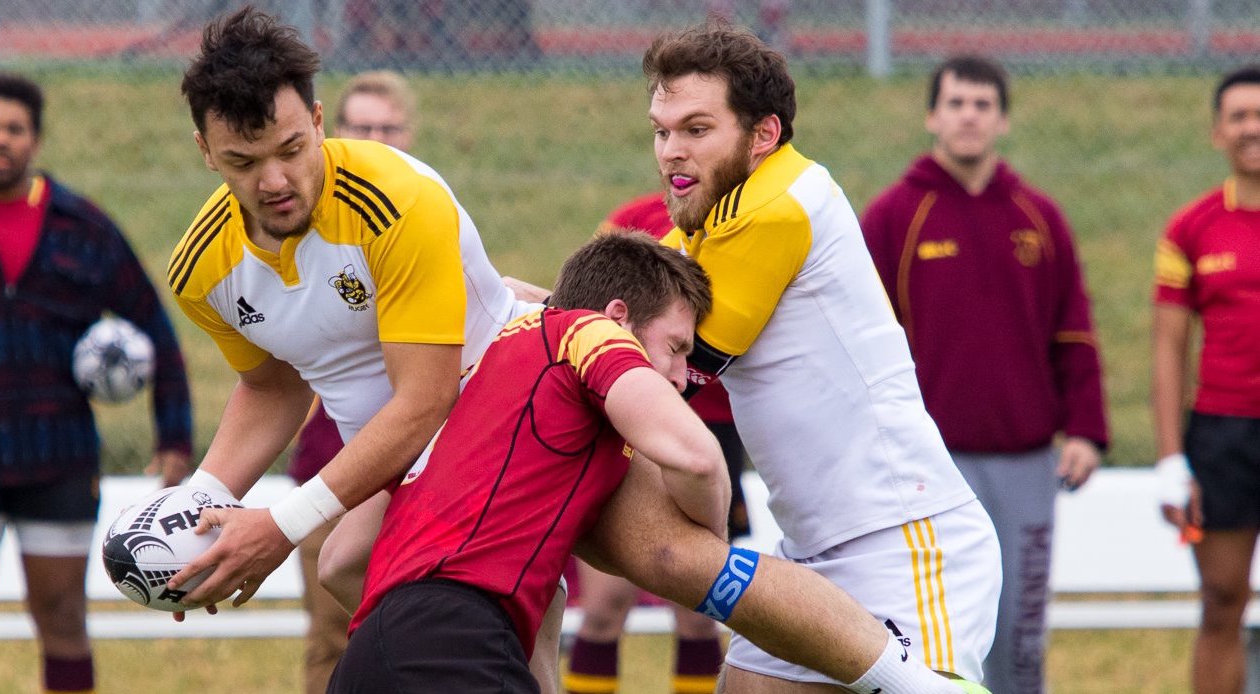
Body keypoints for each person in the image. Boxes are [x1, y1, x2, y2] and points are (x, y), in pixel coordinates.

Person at [333, 230, 989, 694]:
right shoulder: (586, 334)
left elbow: (341, 561)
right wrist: (706, 535)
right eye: (676, 348)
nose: (682, 376)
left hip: (369, 653)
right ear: (619, 317)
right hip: (455, 644)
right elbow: (698, 459)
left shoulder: (482, 370)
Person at [163, 8, 562, 691]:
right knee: (353, 572)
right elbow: (273, 386)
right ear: (204, 150)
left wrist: (280, 525)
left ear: (319, 122)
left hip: (504, 411)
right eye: (242, 161)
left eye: (291, 148)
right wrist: (194, 508)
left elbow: (424, 400)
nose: (274, 181)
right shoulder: (202, 270)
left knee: (668, 562)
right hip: (404, 460)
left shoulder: (396, 200)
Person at [646, 23, 1002, 691]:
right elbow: (612, 312)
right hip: (815, 552)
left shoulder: (770, 210)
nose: (671, 151)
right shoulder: (733, 205)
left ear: (762, 135)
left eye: (696, 129)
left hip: (903, 543)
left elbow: (656, 373)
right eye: (662, 130)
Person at [860, 55, 1108, 694]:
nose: (968, 116)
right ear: (931, 116)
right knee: (932, 625)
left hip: (1025, 461)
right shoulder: (894, 217)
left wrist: (1085, 429)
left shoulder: (1039, 218)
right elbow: (859, 341)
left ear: (1001, 119)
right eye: (956, 103)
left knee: (1020, 625)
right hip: (926, 463)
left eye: (982, 105)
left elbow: (1074, 330)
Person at [0, 71, 193, 693]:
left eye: (14, 129)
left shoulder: (83, 227)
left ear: (36, 139)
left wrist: (175, 437)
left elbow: (154, 327)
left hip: (59, 459)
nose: (0, 139)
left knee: (62, 617)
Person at [565, 193, 748, 694]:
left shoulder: (748, 225)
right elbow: (588, 307)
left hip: (710, 428)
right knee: (602, 607)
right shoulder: (631, 222)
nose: (678, 159)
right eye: (667, 135)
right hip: (622, 416)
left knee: (698, 608)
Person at [284, 68, 419, 694]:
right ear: (329, 131)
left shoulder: (429, 218)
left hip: (423, 471)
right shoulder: (295, 223)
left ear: (410, 135)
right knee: (333, 640)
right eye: (361, 127)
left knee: (426, 640)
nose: (375, 137)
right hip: (330, 469)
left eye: (388, 127)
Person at [1153, 64, 1260, 694]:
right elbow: (1168, 348)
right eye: (1239, 116)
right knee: (1222, 602)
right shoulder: (1190, 229)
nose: (1253, 128)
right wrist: (1171, 461)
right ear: (1218, 132)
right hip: (1223, 437)